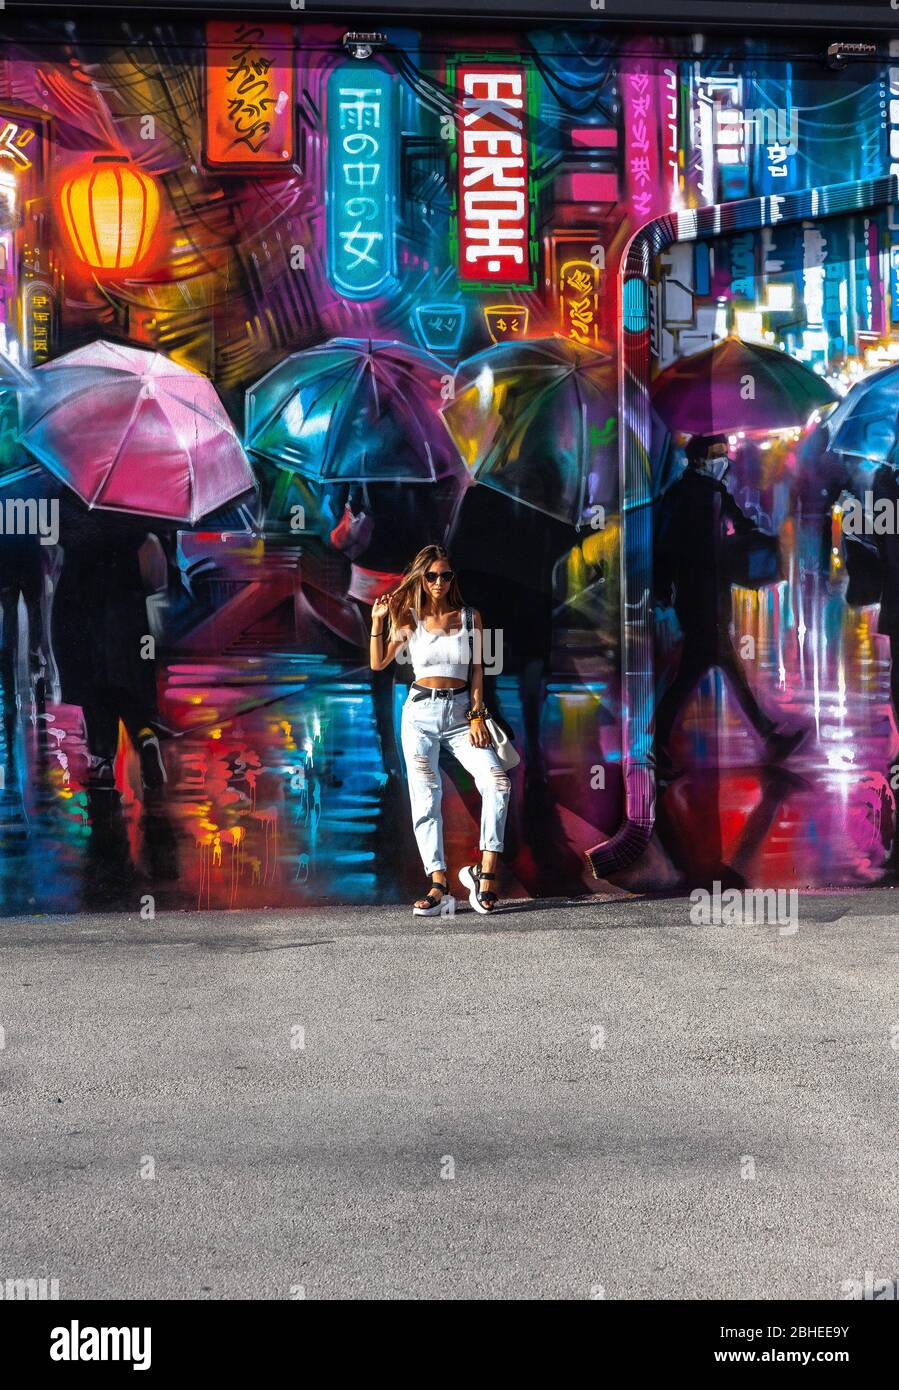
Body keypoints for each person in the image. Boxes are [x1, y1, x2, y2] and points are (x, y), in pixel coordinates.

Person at [369, 543, 511, 915]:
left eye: (445, 575)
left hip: (461, 714)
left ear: (452, 578)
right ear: (422, 577)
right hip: (419, 714)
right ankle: (438, 883)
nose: (438, 582)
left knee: (498, 782)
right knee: (426, 797)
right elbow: (379, 661)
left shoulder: (469, 617)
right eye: (431, 575)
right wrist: (378, 621)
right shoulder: (410, 619)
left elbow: (478, 669)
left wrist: (478, 715)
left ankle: (485, 874)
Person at [653, 433, 805, 777]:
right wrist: (664, 588)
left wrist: (761, 540)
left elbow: (742, 525)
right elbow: (667, 547)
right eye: (717, 454)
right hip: (697, 596)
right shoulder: (686, 496)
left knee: (708, 664)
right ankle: (766, 735)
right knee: (706, 664)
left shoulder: (711, 492)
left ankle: (766, 735)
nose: (724, 460)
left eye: (725, 453)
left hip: (710, 594)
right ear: (700, 459)